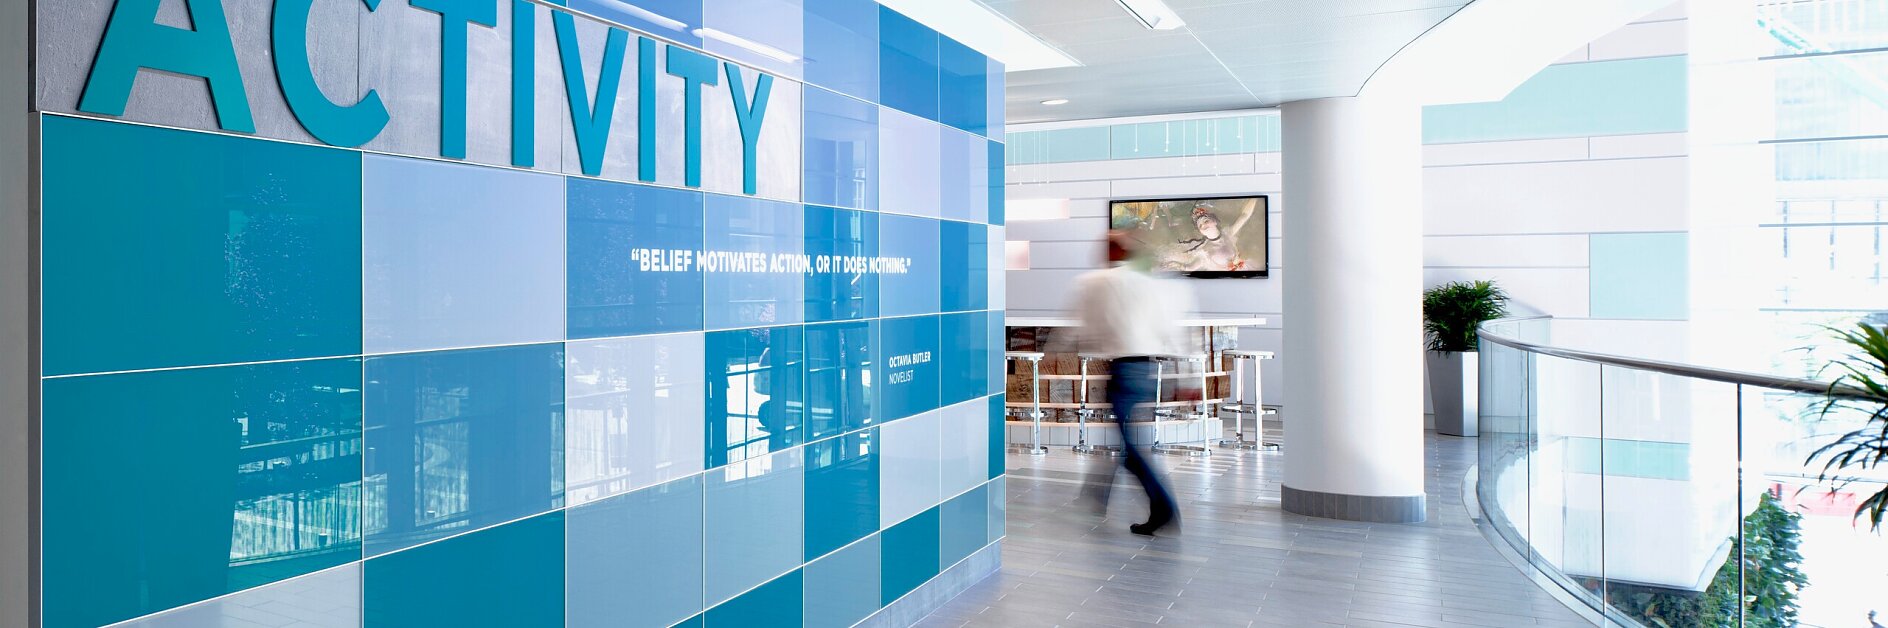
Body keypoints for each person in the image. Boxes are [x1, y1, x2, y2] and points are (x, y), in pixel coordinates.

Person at [1073, 231, 1196, 535]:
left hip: (1122, 368)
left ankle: (1163, 506)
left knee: (1129, 446)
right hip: (1145, 369)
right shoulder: (1152, 284)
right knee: (1126, 441)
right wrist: (1189, 377)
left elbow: (1085, 329)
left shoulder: (1099, 282)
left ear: (1112, 252)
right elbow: (1171, 330)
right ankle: (1098, 494)